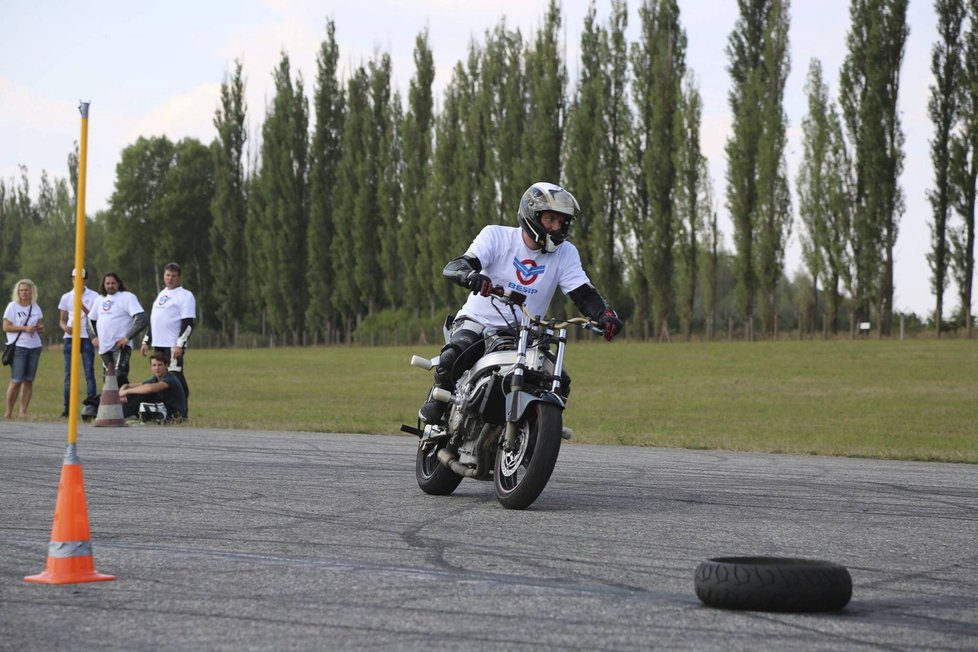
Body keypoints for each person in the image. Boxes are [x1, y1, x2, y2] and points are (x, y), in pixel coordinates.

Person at [418, 181, 623, 424]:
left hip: (525, 333)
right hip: (478, 321)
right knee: (453, 356)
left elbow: (583, 293)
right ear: (531, 214)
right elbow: (457, 265)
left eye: (561, 221)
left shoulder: (566, 252)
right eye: (550, 219)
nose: (556, 227)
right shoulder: (496, 235)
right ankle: (439, 402)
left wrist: (605, 314)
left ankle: (534, 431)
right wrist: (472, 276)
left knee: (559, 382)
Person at [140, 262, 195, 406]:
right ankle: (164, 406)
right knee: (160, 377)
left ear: (179, 277)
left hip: (172, 345)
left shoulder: (185, 296)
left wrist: (180, 344)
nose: (170, 279)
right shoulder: (161, 294)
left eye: (173, 276)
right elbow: (155, 320)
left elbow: (188, 323)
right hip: (158, 343)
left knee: (175, 376)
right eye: (167, 275)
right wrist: (146, 341)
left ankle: (182, 408)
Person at [90, 272, 147, 388]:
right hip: (104, 347)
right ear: (104, 284)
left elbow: (142, 319)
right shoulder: (99, 299)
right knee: (108, 380)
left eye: (113, 283)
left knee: (119, 376)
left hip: (121, 345)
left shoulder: (127, 297)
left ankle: (126, 402)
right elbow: (90, 320)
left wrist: (128, 337)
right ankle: (113, 405)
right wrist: (94, 337)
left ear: (118, 283)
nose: (110, 286)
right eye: (108, 283)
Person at [58, 267, 100, 417]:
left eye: (81, 279)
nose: (77, 281)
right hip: (70, 338)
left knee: (89, 371)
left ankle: (91, 406)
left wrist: (80, 304)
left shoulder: (94, 296)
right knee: (69, 373)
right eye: (75, 278)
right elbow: (62, 320)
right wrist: (65, 328)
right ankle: (67, 409)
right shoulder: (66, 297)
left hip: (87, 337)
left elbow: (94, 316)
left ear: (86, 280)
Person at [3, 279, 44, 419]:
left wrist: (39, 328)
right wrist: (25, 328)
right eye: (21, 290)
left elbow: (39, 325)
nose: (24, 293)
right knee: (16, 380)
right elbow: (6, 327)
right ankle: (8, 412)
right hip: (19, 347)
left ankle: (23, 412)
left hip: (35, 347)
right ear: (17, 292)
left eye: (26, 290)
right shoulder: (12, 307)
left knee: (28, 380)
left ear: (32, 291)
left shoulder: (35, 307)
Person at [119, 351, 187, 423]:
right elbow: (140, 385)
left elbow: (149, 388)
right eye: (154, 365)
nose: (157, 368)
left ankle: (123, 417)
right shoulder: (155, 379)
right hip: (163, 408)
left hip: (174, 415)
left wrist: (126, 391)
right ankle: (123, 415)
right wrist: (124, 387)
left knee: (143, 394)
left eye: (160, 365)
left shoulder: (170, 379)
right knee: (138, 392)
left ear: (166, 366)